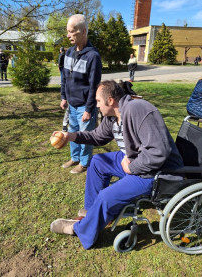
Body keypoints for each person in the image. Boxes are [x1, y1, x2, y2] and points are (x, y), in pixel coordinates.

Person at [50, 80, 184, 249]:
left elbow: (159, 152)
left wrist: (132, 168)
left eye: (98, 101)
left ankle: (79, 229)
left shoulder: (139, 110)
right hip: (133, 160)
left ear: (111, 100)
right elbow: (97, 137)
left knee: (106, 196)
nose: (96, 106)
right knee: (98, 162)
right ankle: (91, 214)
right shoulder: (112, 117)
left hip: (156, 171)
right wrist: (70, 136)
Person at [60, 14, 102, 174]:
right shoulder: (69, 53)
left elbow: (94, 86)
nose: (68, 35)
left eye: (72, 32)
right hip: (72, 104)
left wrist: (89, 109)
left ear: (83, 31)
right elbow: (64, 77)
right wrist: (64, 96)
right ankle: (75, 157)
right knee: (72, 134)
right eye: (67, 31)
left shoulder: (93, 56)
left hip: (85, 106)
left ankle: (84, 163)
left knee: (85, 136)